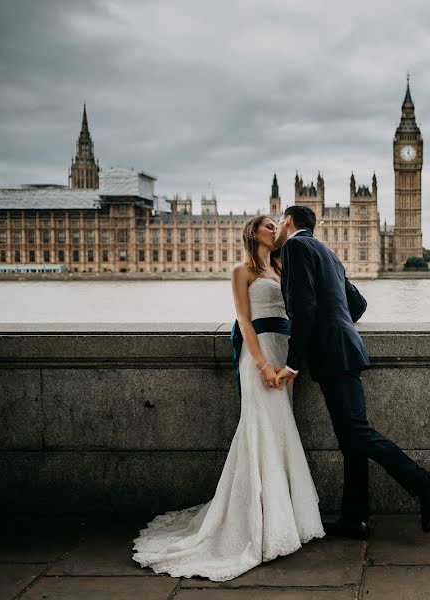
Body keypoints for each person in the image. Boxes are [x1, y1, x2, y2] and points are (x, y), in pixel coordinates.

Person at [132, 215, 324, 582]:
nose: (276, 229)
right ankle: (256, 523)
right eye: (269, 225)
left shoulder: (283, 268)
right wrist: (263, 365)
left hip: (284, 353)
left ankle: (282, 517)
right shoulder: (242, 270)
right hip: (261, 355)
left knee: (282, 430)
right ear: (253, 233)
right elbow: (243, 319)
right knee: (260, 429)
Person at [274, 205, 430, 539]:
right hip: (346, 347)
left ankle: (423, 482)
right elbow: (358, 305)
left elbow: (303, 307)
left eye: (279, 220)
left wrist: (292, 362)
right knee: (351, 440)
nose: (278, 226)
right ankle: (355, 518)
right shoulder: (329, 253)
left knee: (357, 434)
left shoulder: (294, 246)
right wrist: (339, 324)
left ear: (288, 221)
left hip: (332, 353)